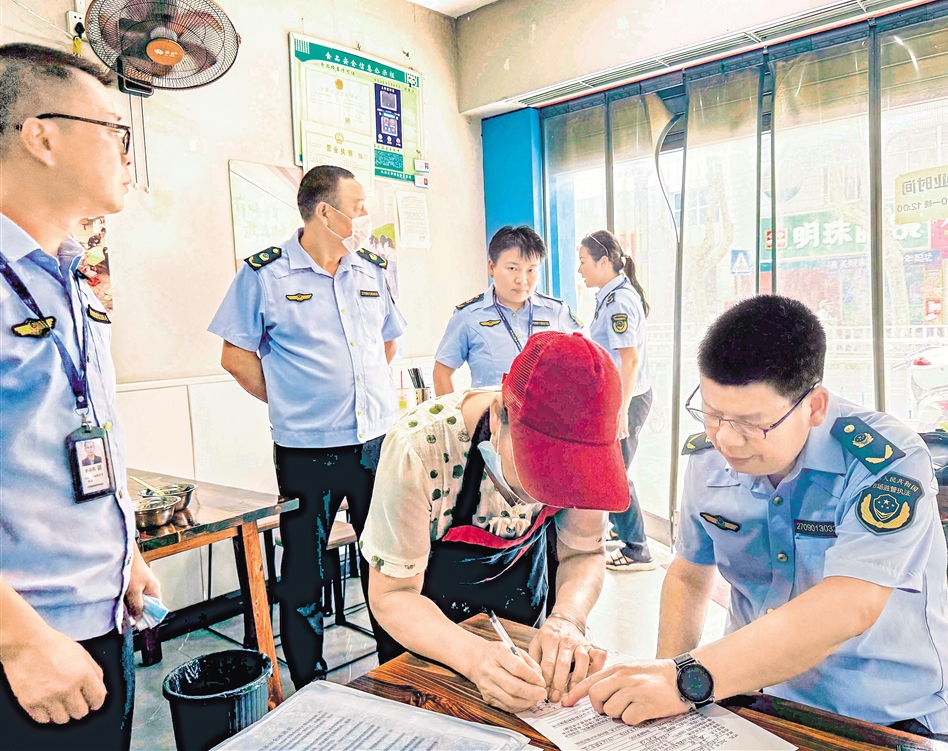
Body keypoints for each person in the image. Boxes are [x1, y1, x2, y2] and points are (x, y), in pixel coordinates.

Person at [565, 296, 948, 743]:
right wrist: (664, 684)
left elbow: (849, 605)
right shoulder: (709, 458)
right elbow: (690, 575)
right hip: (750, 698)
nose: (727, 441)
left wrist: (683, 681)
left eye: (751, 424)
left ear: (814, 406)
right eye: (713, 415)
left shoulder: (886, 462)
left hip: (880, 717)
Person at [0, 43, 161, 751]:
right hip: (26, 648)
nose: (128, 155)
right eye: (113, 130)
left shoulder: (67, 273)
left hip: (99, 617)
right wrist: (18, 640)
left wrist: (121, 555)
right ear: (42, 137)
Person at [209, 165, 406, 689]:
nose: (365, 216)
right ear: (325, 212)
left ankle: (397, 670)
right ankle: (311, 685)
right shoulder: (265, 275)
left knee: (386, 563)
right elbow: (235, 356)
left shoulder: (371, 271)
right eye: (357, 206)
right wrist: (294, 400)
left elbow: (387, 343)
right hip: (306, 451)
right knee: (304, 572)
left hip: (374, 443)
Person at [362, 331, 627, 711]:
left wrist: (568, 619)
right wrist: (474, 657)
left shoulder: (588, 455)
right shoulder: (420, 451)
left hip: (519, 608)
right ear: (501, 414)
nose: (542, 500)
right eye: (538, 476)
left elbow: (584, 553)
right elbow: (392, 594)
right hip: (425, 633)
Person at [577, 230, 655, 571]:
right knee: (610, 468)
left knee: (615, 472)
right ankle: (618, 527)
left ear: (604, 262)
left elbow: (630, 361)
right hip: (620, 397)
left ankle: (638, 549)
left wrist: (620, 412)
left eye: (584, 262)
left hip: (628, 399)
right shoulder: (610, 296)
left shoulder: (619, 302)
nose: (580, 270)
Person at [433, 225, 583, 394]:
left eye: (531, 270)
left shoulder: (557, 312)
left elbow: (588, 362)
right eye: (512, 268)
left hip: (548, 410)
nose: (522, 280)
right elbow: (442, 372)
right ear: (492, 267)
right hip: (491, 410)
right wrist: (456, 411)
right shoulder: (468, 316)